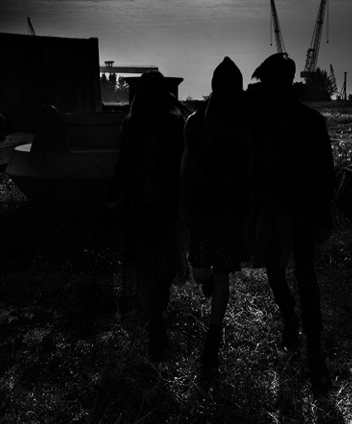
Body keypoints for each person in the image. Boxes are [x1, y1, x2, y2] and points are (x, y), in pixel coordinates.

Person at [245, 53, 334, 392]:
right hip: (291, 210)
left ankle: (301, 332)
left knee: (288, 272)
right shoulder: (305, 119)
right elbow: (326, 174)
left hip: (294, 211)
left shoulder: (279, 120)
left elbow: (323, 174)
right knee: (294, 274)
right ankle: (306, 338)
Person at [106, 71, 187, 361]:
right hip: (138, 209)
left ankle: (156, 319)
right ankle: (156, 331)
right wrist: (115, 195)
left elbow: (179, 169)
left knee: (163, 272)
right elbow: (123, 163)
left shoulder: (173, 126)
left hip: (163, 210)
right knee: (146, 271)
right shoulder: (132, 125)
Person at [180, 57, 251, 377]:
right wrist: (200, 185)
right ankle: (213, 325)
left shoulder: (243, 122)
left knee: (221, 276)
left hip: (230, 207)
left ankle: (213, 337)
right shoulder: (197, 121)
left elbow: (251, 165)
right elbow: (187, 163)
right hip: (206, 207)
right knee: (200, 275)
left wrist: (228, 182)